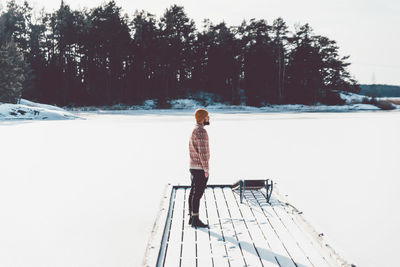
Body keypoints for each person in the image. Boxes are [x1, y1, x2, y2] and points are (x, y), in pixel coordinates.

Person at [188, 108, 210, 228]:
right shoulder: (201, 132)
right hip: (199, 168)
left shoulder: (195, 129)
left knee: (193, 192)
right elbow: (203, 152)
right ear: (202, 118)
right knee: (197, 194)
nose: (209, 119)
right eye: (207, 117)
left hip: (193, 166)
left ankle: (192, 217)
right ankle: (195, 219)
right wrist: (206, 169)